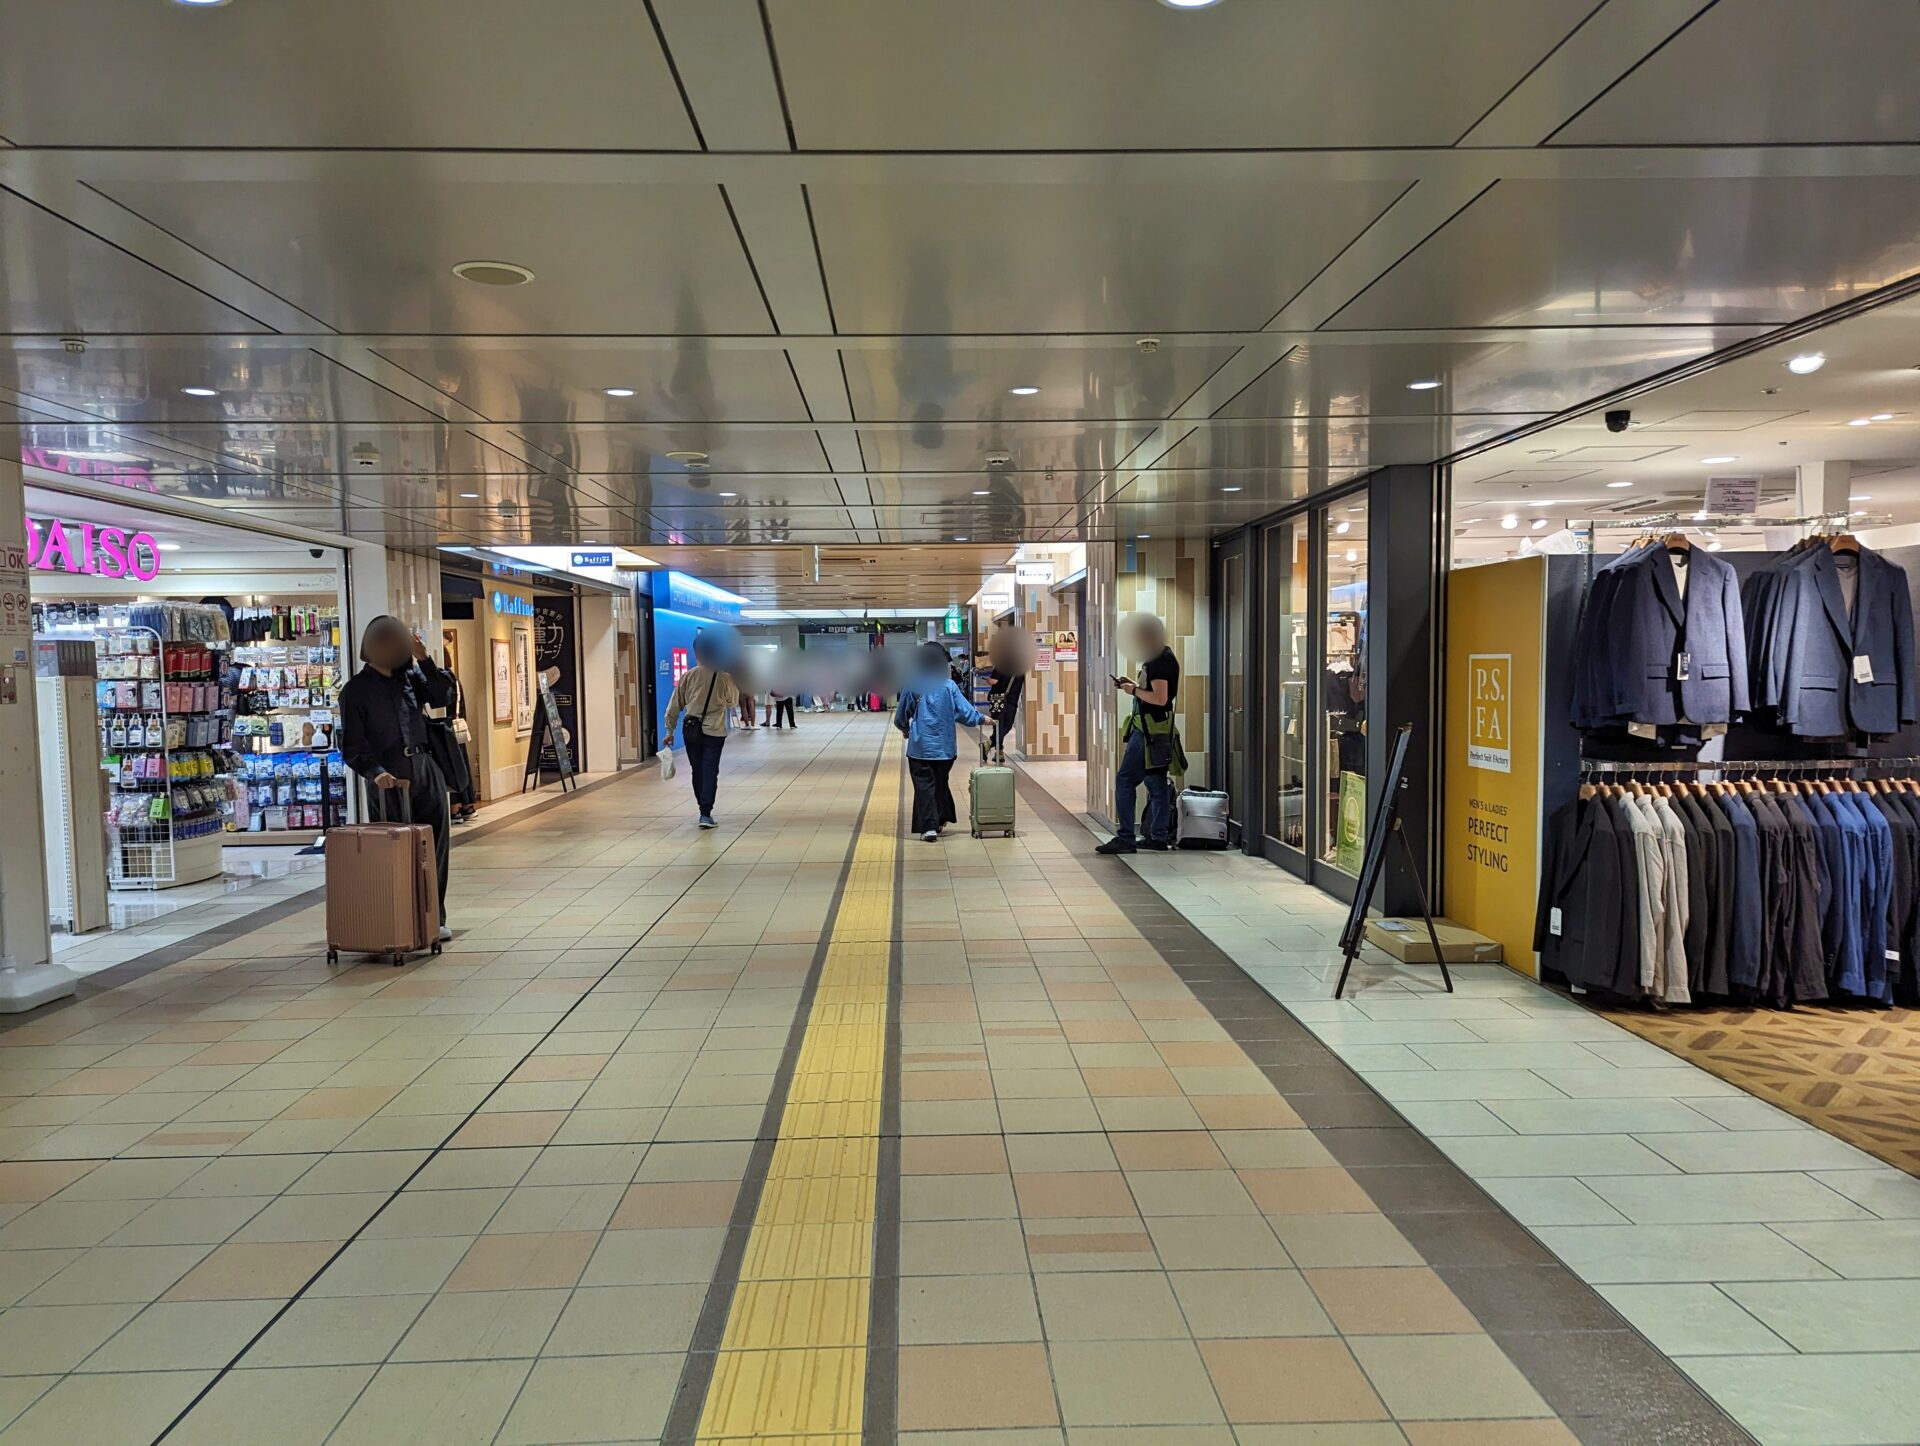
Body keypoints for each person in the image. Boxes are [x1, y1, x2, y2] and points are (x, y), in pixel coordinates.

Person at [339, 616, 456, 938]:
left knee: (434, 846)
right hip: (388, 778)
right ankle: (398, 917)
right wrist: (376, 774)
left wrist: (424, 658)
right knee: (394, 850)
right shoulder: (356, 691)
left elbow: (442, 697)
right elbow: (352, 745)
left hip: (423, 767)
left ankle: (434, 916)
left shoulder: (411, 679)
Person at [1097, 613, 1182, 855]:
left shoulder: (1159, 661)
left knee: (1125, 780)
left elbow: (1160, 698)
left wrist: (1133, 690)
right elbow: (1156, 692)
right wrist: (1132, 684)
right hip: (1157, 729)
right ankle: (1158, 836)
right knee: (1156, 784)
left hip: (1148, 732)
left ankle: (1126, 837)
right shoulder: (1162, 657)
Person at [895, 642, 983, 842]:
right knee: (940, 782)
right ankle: (941, 818)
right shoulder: (949, 686)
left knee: (925, 785)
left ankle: (929, 827)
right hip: (945, 749)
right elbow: (965, 713)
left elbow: (901, 716)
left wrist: (905, 729)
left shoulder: (913, 684)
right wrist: (981, 718)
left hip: (920, 748)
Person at [664, 633, 740, 828]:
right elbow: (733, 701)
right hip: (714, 730)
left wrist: (669, 731)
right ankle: (705, 812)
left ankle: (702, 808)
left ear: (696, 653)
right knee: (710, 770)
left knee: (696, 770)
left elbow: (674, 705)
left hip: (691, 730)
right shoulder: (723, 677)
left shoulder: (687, 676)